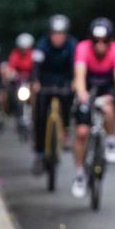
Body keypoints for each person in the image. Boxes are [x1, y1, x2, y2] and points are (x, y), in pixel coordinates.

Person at [70, 18, 115, 198]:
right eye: (96, 41)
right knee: (81, 133)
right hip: (88, 88)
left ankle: (111, 141)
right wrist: (82, 94)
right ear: (91, 40)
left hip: (107, 88)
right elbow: (79, 76)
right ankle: (80, 174)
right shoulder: (82, 48)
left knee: (109, 108)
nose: (100, 45)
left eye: (105, 41)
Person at [30, 14, 78, 175]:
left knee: (69, 102)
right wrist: (35, 81)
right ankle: (39, 153)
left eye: (61, 33)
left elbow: (76, 65)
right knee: (40, 116)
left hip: (64, 82)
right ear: (50, 34)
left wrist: (74, 81)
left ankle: (65, 129)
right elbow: (36, 65)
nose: (58, 37)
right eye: (55, 33)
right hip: (45, 83)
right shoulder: (42, 45)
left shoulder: (72, 45)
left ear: (66, 34)